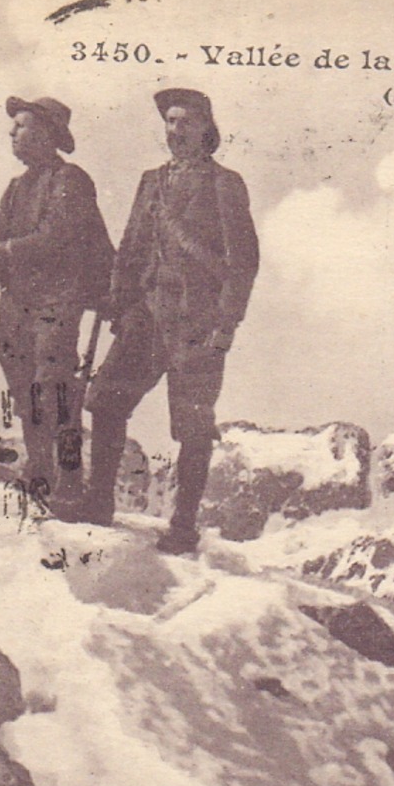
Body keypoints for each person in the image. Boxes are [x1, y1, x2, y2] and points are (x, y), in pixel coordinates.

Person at [81, 87, 260, 554]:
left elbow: (243, 261)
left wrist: (226, 325)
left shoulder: (225, 184)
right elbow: (132, 246)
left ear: (207, 128)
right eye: (170, 122)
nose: (175, 131)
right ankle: (98, 502)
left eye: (185, 122)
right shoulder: (150, 182)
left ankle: (183, 527)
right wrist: (120, 302)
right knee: (104, 401)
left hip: (197, 325)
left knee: (192, 426)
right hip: (145, 317)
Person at [0, 95, 113, 514]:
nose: (13, 132)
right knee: (24, 391)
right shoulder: (17, 188)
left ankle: (69, 482)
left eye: (23, 125)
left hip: (57, 301)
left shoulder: (71, 181)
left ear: (48, 134)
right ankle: (40, 471)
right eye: (13, 126)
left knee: (56, 390)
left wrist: (5, 250)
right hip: (18, 304)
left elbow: (59, 237)